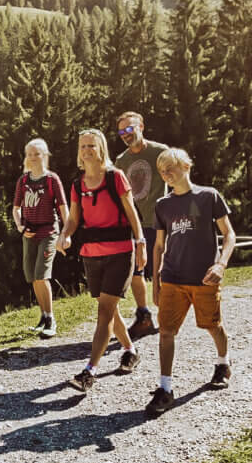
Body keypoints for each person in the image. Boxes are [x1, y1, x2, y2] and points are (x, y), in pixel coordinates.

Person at [148, 147, 237, 417]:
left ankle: (223, 363)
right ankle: (165, 389)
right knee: (166, 332)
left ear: (186, 166)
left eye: (171, 168)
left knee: (212, 325)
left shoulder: (209, 196)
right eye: (162, 171)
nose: (167, 174)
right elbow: (159, 247)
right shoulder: (163, 205)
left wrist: (221, 264)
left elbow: (229, 234)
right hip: (172, 277)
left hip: (204, 279)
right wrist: (155, 283)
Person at [56, 129, 146, 390]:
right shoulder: (77, 184)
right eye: (83, 146)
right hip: (91, 255)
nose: (86, 151)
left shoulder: (115, 177)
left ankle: (89, 371)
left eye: (92, 146)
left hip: (119, 252)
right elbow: (73, 218)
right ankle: (130, 349)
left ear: (101, 149)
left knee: (104, 311)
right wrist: (66, 235)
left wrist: (140, 243)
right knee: (111, 310)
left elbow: (132, 214)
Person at [113, 111, 168, 339]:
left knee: (160, 272)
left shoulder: (160, 152)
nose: (126, 134)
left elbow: (177, 180)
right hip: (134, 224)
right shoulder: (121, 161)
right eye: (122, 131)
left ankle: (167, 315)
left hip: (158, 222)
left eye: (130, 129)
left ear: (141, 126)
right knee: (136, 271)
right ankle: (144, 315)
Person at [12, 138, 70, 338]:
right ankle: (43, 316)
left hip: (48, 232)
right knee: (32, 276)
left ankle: (51, 318)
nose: (33, 158)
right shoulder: (24, 181)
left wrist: (65, 233)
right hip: (28, 233)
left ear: (44, 155)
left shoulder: (51, 179)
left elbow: (63, 208)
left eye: (37, 154)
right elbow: (16, 208)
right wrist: (20, 227)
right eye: (30, 154)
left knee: (42, 274)